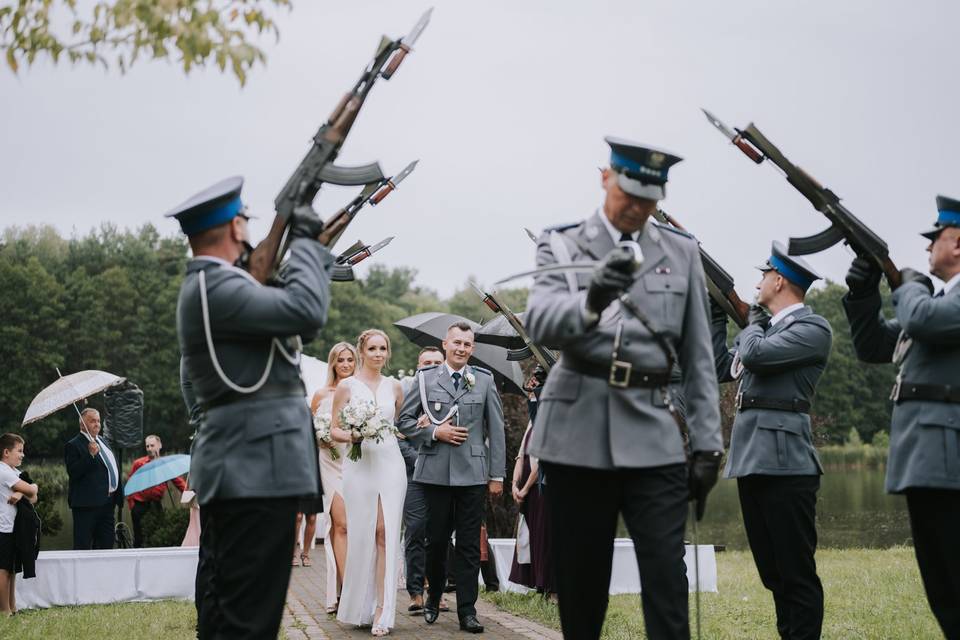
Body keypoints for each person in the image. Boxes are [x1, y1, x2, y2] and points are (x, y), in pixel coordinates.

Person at [524, 137, 723, 640]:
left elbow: (699, 356)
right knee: (582, 589)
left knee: (666, 580)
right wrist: (592, 299)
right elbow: (541, 323)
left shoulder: (681, 252)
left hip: (653, 433)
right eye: (629, 195)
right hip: (575, 432)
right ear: (605, 178)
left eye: (649, 200)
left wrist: (707, 444)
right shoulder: (562, 242)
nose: (637, 208)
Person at [169, 175, 337, 640]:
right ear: (236, 229)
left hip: (249, 466)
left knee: (231, 615)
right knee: (249, 621)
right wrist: (304, 243)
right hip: (255, 469)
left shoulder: (214, 286)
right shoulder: (216, 286)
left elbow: (285, 321)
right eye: (244, 218)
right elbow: (306, 311)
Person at [842, 194, 960, 638]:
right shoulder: (937, 303)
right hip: (928, 459)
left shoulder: (937, 305)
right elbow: (873, 346)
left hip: (951, 461)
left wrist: (906, 285)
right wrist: (862, 291)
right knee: (944, 590)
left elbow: (923, 317)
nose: (927, 247)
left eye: (936, 238)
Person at [711, 241, 832, 640]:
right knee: (773, 574)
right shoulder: (761, 332)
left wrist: (752, 322)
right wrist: (716, 308)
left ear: (779, 280)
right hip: (751, 459)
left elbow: (757, 355)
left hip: (786, 464)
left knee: (796, 574)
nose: (759, 282)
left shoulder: (811, 329)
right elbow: (718, 365)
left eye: (764, 275)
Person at [397, 322, 507, 634]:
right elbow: (404, 421)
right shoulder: (425, 378)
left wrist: (496, 475)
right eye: (456, 342)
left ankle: (468, 612)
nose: (461, 348)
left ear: (472, 349)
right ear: (445, 344)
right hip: (434, 473)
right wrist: (435, 432)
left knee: (470, 545)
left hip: (473, 475)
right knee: (436, 541)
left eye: (467, 344)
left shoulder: (483, 380)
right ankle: (432, 596)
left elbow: (496, 431)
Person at [331, 329, 407, 636]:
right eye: (373, 348)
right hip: (359, 465)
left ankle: (383, 609)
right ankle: (360, 606)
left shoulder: (396, 387)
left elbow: (400, 425)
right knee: (362, 534)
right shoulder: (346, 387)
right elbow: (334, 429)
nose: (378, 354)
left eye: (383, 349)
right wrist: (353, 435)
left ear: (388, 353)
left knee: (384, 532)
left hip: (390, 464)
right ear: (362, 351)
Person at [307, 341, 358, 612]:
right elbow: (309, 430)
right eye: (341, 360)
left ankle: (346, 591)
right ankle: (347, 590)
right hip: (330, 462)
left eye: (350, 359)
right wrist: (321, 438)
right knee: (341, 524)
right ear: (333, 364)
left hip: (357, 461)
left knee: (356, 528)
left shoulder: (361, 392)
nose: (346, 364)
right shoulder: (320, 394)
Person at [398, 346, 444, 614]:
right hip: (414, 473)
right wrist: (420, 460)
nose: (430, 366)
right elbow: (397, 435)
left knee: (439, 534)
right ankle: (416, 591)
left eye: (436, 362)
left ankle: (437, 591)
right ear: (418, 366)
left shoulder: (449, 393)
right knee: (415, 530)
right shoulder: (405, 395)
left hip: (442, 475)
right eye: (426, 362)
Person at [508, 372, 554, 596]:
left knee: (543, 533)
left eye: (536, 380)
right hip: (525, 482)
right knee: (530, 531)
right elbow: (521, 453)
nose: (531, 382)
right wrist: (515, 482)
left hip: (538, 485)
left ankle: (548, 584)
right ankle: (536, 580)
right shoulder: (532, 418)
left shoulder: (549, 416)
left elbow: (541, 456)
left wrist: (525, 487)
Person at [65, 408, 121, 550]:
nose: (97, 424)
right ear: (82, 424)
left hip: (108, 504)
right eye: (92, 421)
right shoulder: (73, 445)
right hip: (86, 505)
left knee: (106, 546)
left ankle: (104, 573)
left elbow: (110, 467)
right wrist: (90, 455)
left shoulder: (102, 440)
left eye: (98, 421)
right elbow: (73, 472)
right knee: (83, 547)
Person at [0, 434, 38, 616]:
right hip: (3, 527)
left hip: (12, 527)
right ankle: (4, 610)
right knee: (3, 569)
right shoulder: (3, 471)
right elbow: (31, 488)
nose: (22, 455)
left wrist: (20, 494)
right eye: (19, 451)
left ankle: (12, 607)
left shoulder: (13, 471)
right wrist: (27, 491)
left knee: (12, 569)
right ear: (6, 452)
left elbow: (34, 494)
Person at [127, 434, 188, 548]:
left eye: (152, 445)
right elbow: (131, 484)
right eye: (147, 446)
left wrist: (189, 494)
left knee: (157, 534)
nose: (150, 449)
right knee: (139, 538)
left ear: (159, 446)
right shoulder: (139, 464)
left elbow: (179, 482)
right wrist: (132, 505)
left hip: (156, 504)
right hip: (140, 504)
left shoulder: (165, 465)